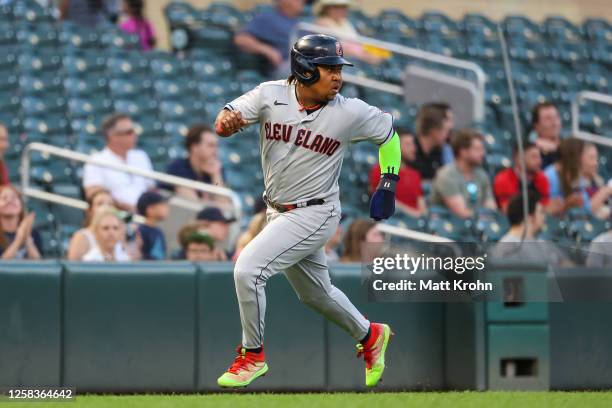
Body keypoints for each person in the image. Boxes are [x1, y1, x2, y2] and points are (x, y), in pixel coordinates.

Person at [214, 34, 399, 388]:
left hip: (317, 212)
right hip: (278, 211)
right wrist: (227, 123)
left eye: (338, 69)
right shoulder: (271, 95)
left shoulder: (350, 111)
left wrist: (388, 181)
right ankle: (370, 334)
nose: (337, 76)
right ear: (304, 69)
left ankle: (251, 356)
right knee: (315, 293)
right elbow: (225, 118)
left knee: (248, 270)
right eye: (328, 68)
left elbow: (389, 135)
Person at [82, 112, 155, 213]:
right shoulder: (96, 160)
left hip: (145, 216)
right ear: (113, 136)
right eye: (129, 132)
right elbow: (94, 194)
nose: (134, 135)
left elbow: (151, 188)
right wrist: (124, 208)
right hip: (115, 216)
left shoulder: (141, 156)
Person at [489, 191, 572, 267]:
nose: (544, 218)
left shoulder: (543, 243)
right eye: (541, 212)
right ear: (529, 217)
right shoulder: (508, 247)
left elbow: (569, 269)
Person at [430, 129, 496, 218]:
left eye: (482, 149)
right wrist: (484, 216)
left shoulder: (481, 174)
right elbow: (461, 213)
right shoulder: (446, 176)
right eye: (477, 149)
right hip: (451, 227)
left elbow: (491, 208)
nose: (482, 153)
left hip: (478, 225)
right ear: (463, 152)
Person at [234, 0, 305, 77]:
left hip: (309, 63)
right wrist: (267, 50)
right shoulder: (268, 18)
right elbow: (241, 39)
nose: (301, 1)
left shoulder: (306, 21)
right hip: (287, 68)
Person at [544, 139, 612, 217]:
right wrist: (566, 205)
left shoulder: (576, 175)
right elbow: (547, 213)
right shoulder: (549, 177)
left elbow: (586, 208)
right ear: (573, 156)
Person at [369, 129, 426, 217]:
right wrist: (414, 214)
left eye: (413, 144)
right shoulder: (380, 170)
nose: (413, 148)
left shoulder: (415, 174)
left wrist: (422, 216)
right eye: (408, 144)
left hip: (415, 222)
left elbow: (421, 204)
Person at [163, 124, 225, 201]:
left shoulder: (216, 169)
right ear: (194, 147)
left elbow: (225, 207)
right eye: (210, 145)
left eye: (217, 146)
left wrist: (216, 175)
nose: (215, 150)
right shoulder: (178, 166)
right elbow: (193, 205)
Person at [66, 188, 131, 261]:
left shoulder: (119, 232)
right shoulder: (82, 236)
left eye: (110, 204)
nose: (106, 207)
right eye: (100, 204)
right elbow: (74, 266)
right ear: (89, 210)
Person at [313, 0, 380, 64]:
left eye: (343, 7)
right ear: (326, 8)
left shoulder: (345, 22)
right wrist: (363, 56)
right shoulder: (322, 23)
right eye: (336, 7)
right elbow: (334, 47)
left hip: (356, 57)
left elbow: (356, 41)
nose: (340, 10)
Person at [493, 141, 550, 214]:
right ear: (519, 159)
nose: (539, 161)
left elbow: (546, 206)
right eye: (534, 157)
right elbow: (507, 211)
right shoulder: (503, 179)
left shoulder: (542, 178)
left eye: (539, 157)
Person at [408, 103, 454, 180]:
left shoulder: (442, 152)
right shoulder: (409, 149)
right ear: (434, 129)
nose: (452, 126)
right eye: (446, 131)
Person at [0, 185, 42, 260]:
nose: (9, 201)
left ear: (21, 205)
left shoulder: (34, 233)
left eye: (14, 197)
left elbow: (39, 265)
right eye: (4, 198)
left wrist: (27, 238)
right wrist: (18, 240)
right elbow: (2, 266)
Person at [136, 191, 169, 260]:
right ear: (150, 209)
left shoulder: (158, 231)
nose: (167, 208)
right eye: (163, 205)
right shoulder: (141, 232)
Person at [530, 102, 562, 168]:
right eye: (548, 119)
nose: (554, 123)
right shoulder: (531, 153)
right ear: (536, 126)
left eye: (556, 117)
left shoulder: (569, 147)